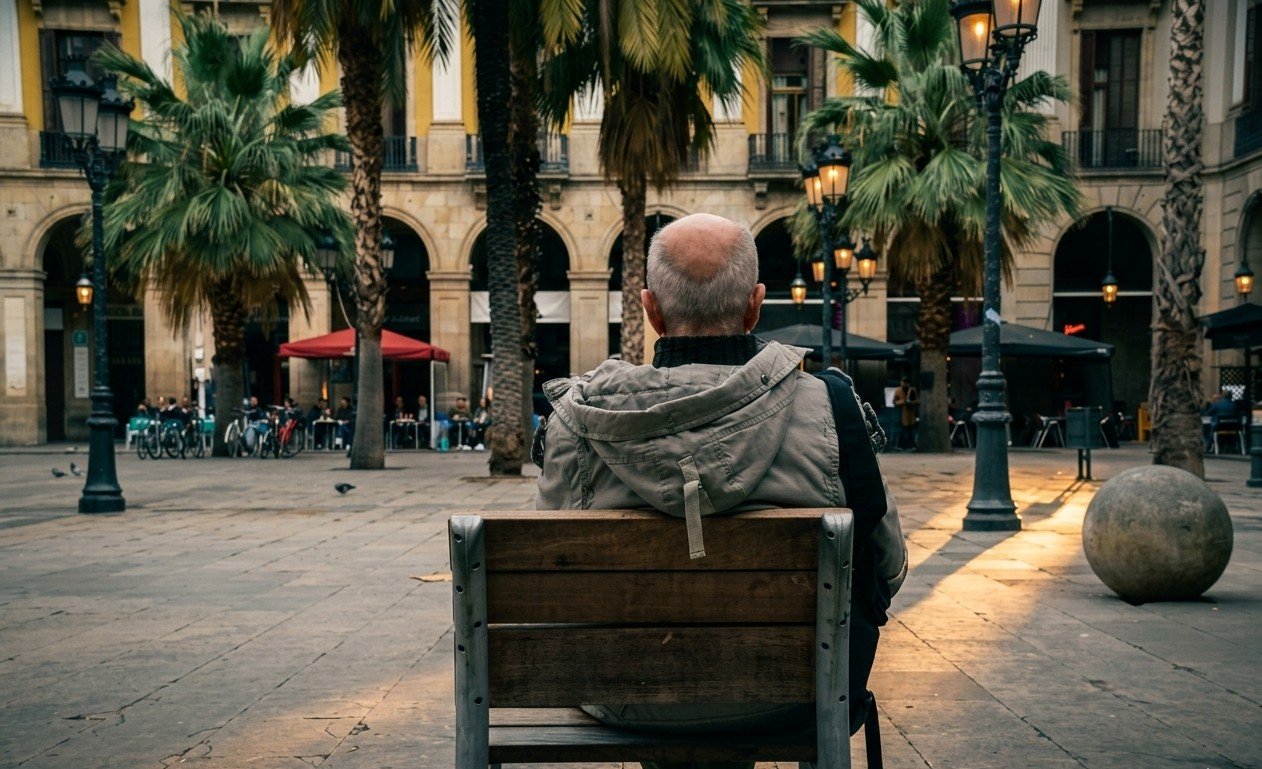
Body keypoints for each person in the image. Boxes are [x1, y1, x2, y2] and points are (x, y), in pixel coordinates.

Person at [533, 213, 907, 769]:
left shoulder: (578, 418)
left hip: (622, 695)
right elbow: (889, 566)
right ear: (756, 304)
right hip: (796, 693)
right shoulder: (832, 408)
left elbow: (548, 585)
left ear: (650, 309)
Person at [893, 377, 919, 451]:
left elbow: (916, 400)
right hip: (901, 413)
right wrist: (902, 401)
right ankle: (900, 445)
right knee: (903, 430)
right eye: (903, 382)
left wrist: (911, 402)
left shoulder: (912, 390)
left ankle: (911, 446)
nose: (904, 384)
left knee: (910, 430)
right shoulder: (898, 390)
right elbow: (894, 402)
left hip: (911, 413)